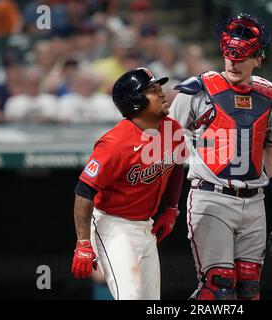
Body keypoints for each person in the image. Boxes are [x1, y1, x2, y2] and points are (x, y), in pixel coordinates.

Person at [170, 13, 272, 300]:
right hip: (211, 196)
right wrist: (162, 205)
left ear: (258, 58)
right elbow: (168, 148)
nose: (233, 62)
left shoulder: (271, 97)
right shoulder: (197, 90)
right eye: (229, 54)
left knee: (249, 288)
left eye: (242, 56)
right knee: (219, 287)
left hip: (254, 201)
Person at [71, 67, 186, 300]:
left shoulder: (172, 128)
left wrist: (172, 210)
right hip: (114, 225)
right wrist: (83, 242)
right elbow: (84, 191)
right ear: (135, 102)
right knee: (131, 296)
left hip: (146, 225)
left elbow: (178, 165)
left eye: (159, 88)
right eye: (153, 91)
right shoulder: (114, 143)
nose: (162, 94)